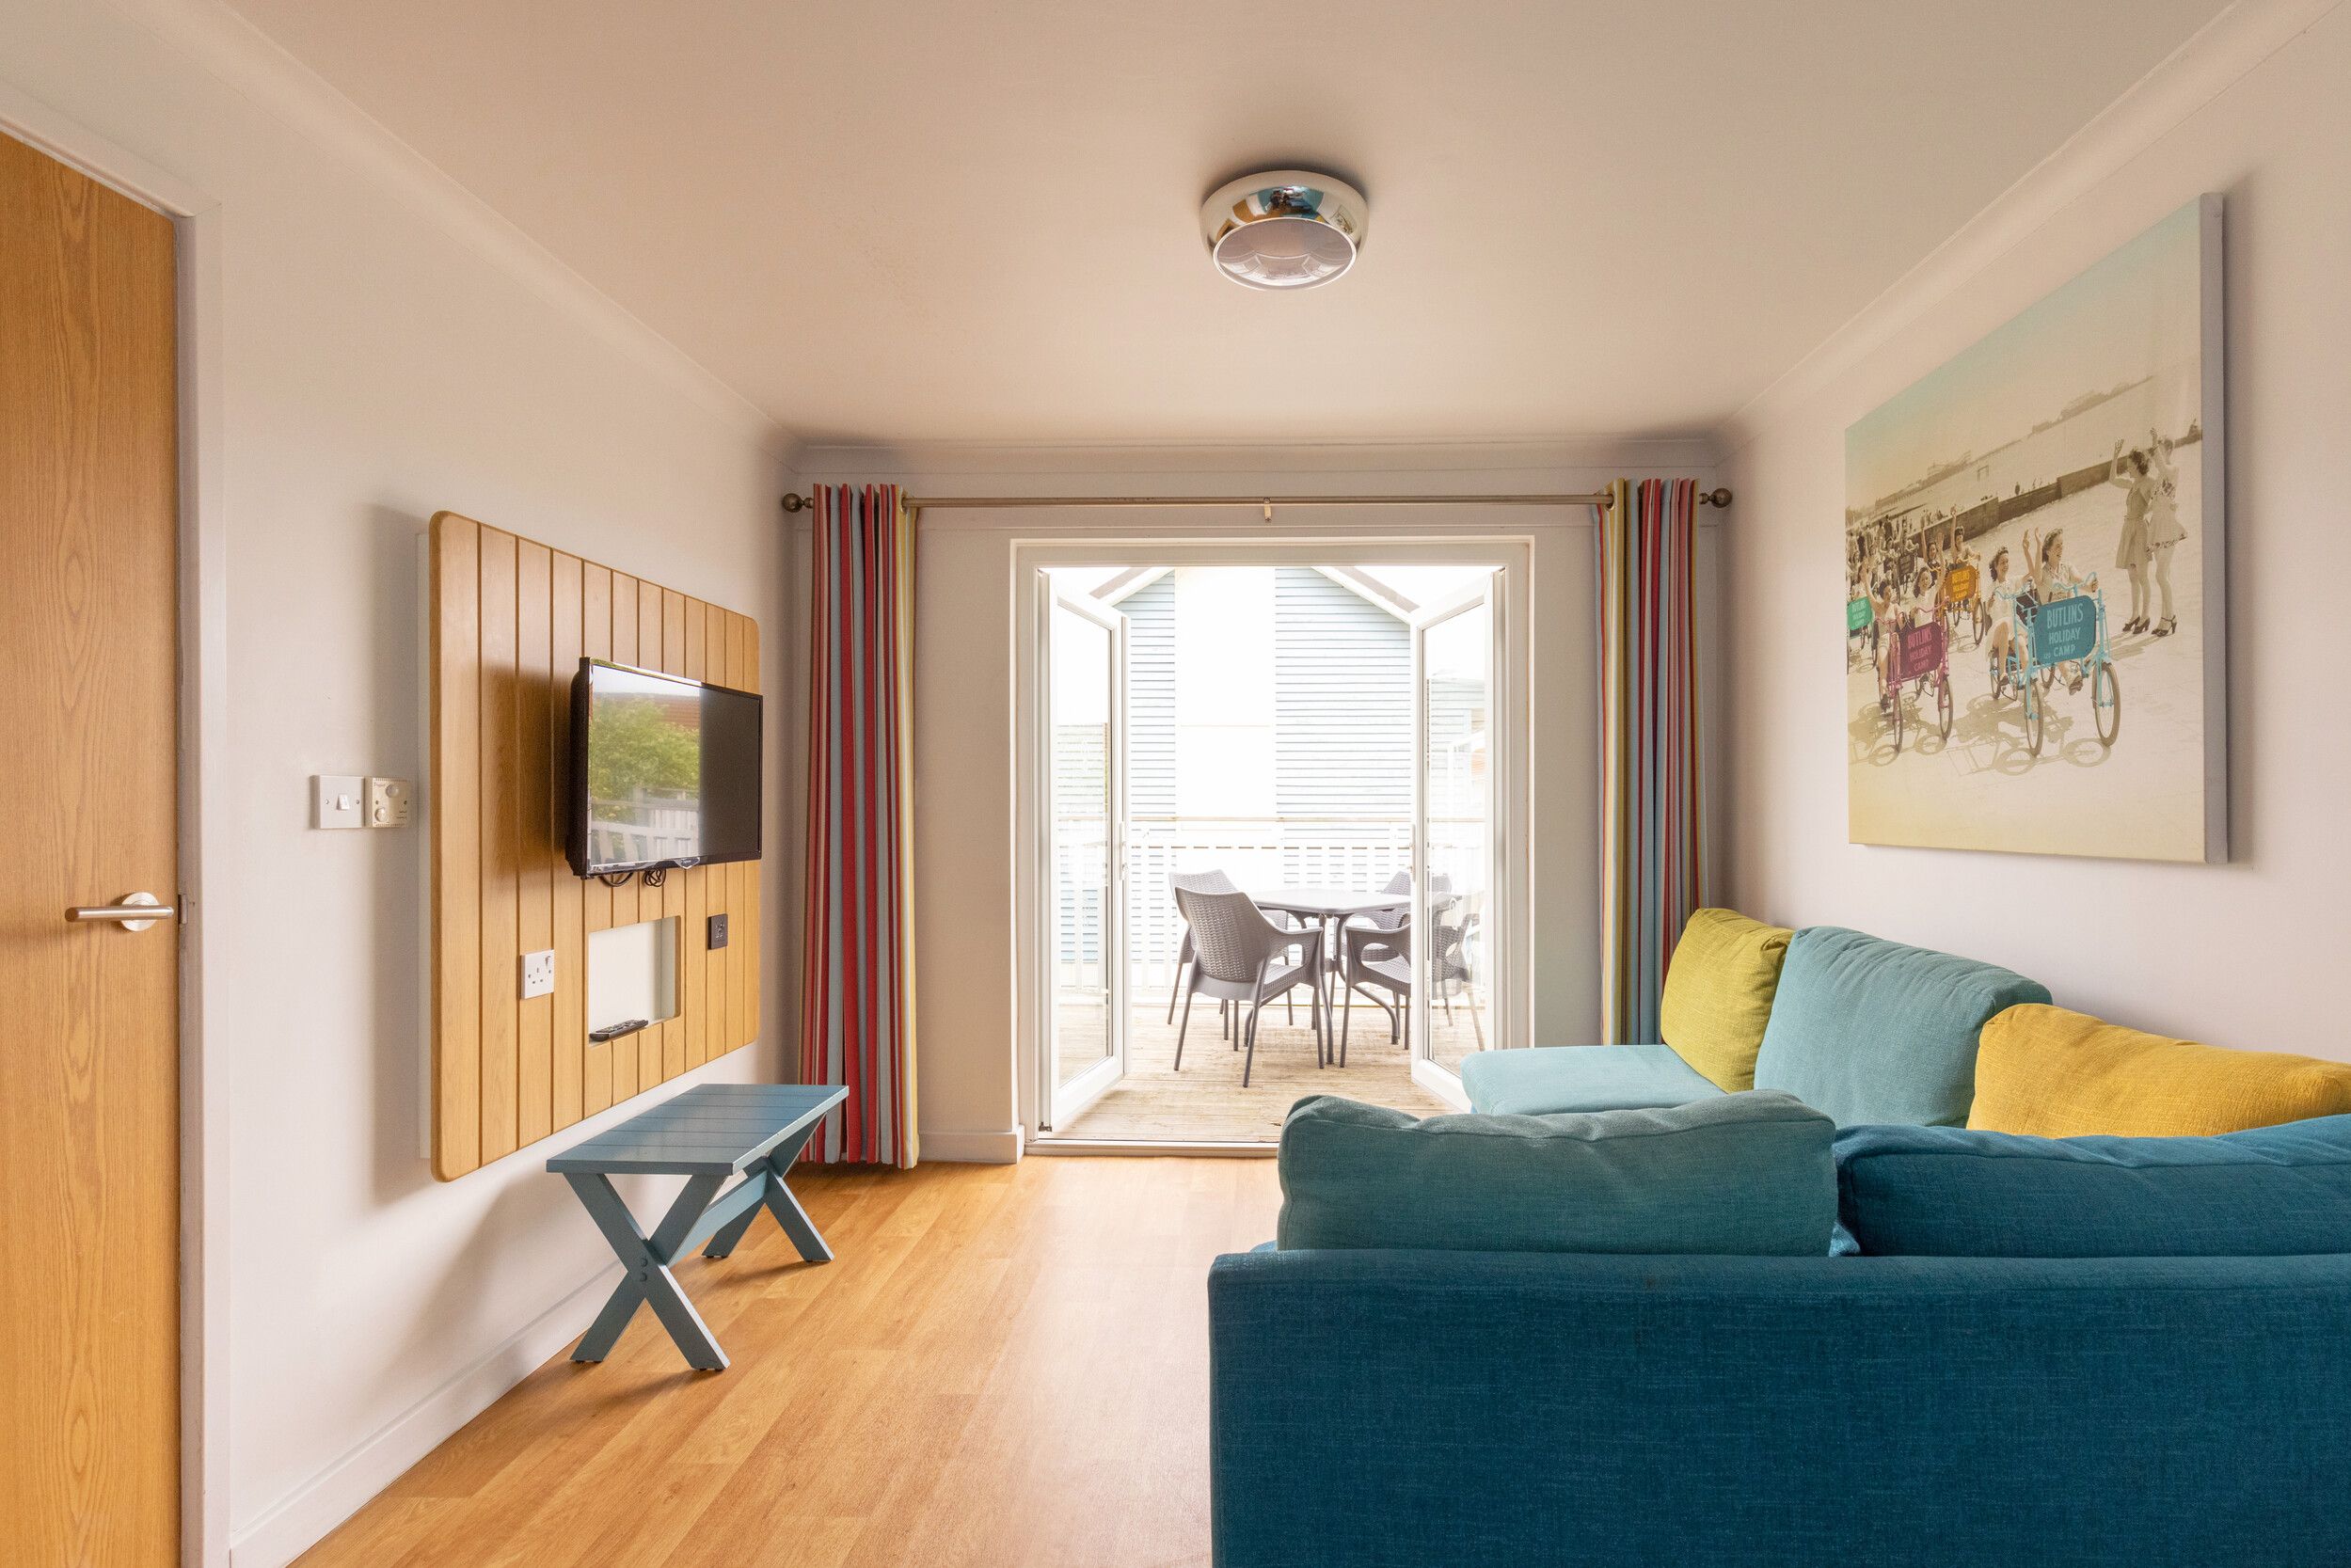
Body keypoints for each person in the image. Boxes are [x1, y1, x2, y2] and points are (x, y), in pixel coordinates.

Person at [2143, 428, 2187, 636]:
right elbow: (2155, 503)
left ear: (2168, 449)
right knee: (2164, 575)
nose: (2156, 455)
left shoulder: (2173, 469)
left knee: (2161, 575)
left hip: (2168, 526)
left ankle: (2167, 619)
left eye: (2160, 449)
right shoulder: (2161, 476)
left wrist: (2153, 444)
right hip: (2157, 526)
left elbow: (2162, 464)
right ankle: (2171, 616)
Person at [2108, 437, 2154, 634]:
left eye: (2129, 465)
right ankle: (2135, 614)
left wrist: (2143, 514)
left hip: (2140, 530)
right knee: (2132, 576)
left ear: (2138, 464)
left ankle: (2145, 615)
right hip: (2129, 529)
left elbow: (2159, 501)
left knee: (2143, 576)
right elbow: (2112, 480)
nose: (2127, 468)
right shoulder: (2134, 483)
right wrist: (2115, 456)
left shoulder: (2147, 482)